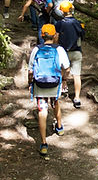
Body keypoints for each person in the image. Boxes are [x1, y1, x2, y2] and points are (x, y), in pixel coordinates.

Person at [27, 24, 71, 158]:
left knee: (42, 109)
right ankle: (59, 127)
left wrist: (30, 83)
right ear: (55, 35)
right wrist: (64, 79)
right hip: (54, 83)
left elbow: (30, 71)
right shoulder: (59, 50)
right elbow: (67, 68)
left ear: (42, 35)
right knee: (55, 102)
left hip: (40, 83)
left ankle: (44, 143)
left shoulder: (36, 50)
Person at [55, 2, 85, 107]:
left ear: (62, 11)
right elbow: (82, 35)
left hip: (64, 52)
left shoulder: (59, 23)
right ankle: (77, 98)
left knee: (62, 70)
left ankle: (63, 87)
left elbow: (56, 37)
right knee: (77, 75)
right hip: (77, 51)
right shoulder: (78, 22)